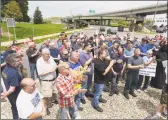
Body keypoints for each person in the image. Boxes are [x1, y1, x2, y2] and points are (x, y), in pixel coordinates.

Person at [1, 53, 23, 119]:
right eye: (18, 61)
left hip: (10, 95)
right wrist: (4, 95)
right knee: (19, 108)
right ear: (13, 63)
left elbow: (2, 79)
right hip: (16, 94)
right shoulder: (14, 73)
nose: (20, 62)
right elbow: (12, 89)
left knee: (14, 107)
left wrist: (5, 90)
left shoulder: (5, 68)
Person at [36, 48, 57, 115]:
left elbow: (55, 65)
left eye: (49, 54)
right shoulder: (39, 61)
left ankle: (54, 100)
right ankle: (45, 107)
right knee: (45, 96)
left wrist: (55, 67)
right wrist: (50, 71)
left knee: (54, 92)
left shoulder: (50, 57)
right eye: (47, 54)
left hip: (54, 80)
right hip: (46, 81)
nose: (49, 55)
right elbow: (40, 73)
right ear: (42, 55)